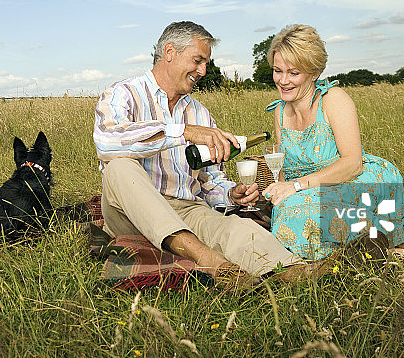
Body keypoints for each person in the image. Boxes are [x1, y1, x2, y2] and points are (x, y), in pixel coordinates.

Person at [93, 21, 326, 291]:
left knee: (236, 228)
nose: (203, 71)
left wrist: (231, 194)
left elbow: (211, 179)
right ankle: (210, 261)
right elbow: (107, 142)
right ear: (169, 52)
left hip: (186, 209)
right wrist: (184, 132)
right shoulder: (123, 94)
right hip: (130, 213)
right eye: (198, 60)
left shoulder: (200, 113)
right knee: (119, 167)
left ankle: (293, 269)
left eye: (206, 63)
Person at [260, 24, 404, 259]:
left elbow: (353, 164)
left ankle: (387, 248)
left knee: (311, 216)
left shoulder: (333, 99)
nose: (283, 81)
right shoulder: (280, 111)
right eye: (277, 70)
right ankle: (380, 250)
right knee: (287, 214)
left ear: (314, 73)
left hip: (351, 178)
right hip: (307, 190)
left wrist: (296, 186)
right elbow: (281, 169)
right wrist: (276, 191)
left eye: (293, 73)